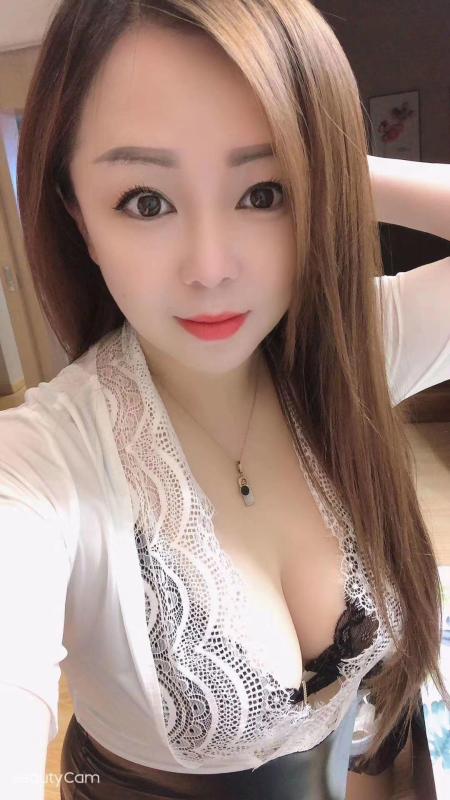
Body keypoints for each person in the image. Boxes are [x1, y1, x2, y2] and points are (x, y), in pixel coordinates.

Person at [1, 1, 450, 798]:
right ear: (78, 215)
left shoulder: (350, 353)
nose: (211, 268)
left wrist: (332, 167)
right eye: (146, 200)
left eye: (264, 192)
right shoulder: (43, 467)